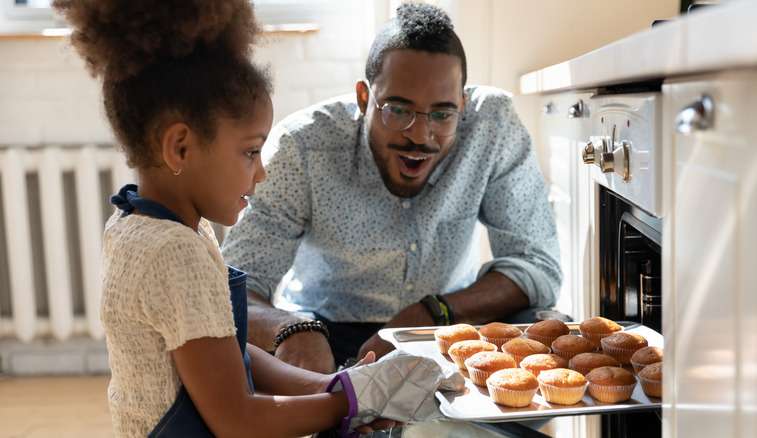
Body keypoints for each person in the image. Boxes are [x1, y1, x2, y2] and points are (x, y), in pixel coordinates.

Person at [53, 0, 463, 436]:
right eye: (250, 151)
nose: (262, 172)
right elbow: (237, 419)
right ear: (180, 148)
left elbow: (229, 353)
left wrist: (333, 385)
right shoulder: (175, 253)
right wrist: (350, 403)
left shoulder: (140, 223)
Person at [222, 1, 563, 375]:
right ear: (364, 98)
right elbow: (234, 283)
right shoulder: (301, 147)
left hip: (448, 321)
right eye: (398, 110)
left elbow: (537, 265)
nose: (420, 135)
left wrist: (430, 312)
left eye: (442, 113)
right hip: (323, 329)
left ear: (462, 105)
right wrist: (291, 330)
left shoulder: (492, 125)